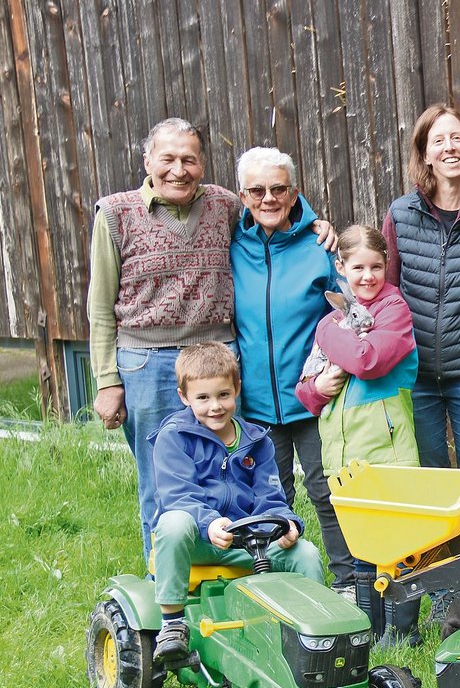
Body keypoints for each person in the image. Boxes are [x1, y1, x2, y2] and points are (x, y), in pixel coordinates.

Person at [87, 118, 333, 563]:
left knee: (231, 477)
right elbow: (100, 305)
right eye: (168, 158)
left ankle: (243, 574)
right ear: (148, 161)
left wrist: (319, 225)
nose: (178, 169)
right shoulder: (115, 214)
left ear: (202, 165)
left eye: (189, 159)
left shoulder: (224, 206)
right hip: (148, 363)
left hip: (220, 359)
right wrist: (107, 378)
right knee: (161, 480)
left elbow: (278, 205)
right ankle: (168, 589)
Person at [230, 146, 356, 599]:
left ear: (294, 192)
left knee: (329, 491)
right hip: (256, 405)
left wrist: (333, 371)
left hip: (314, 398)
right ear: (242, 196)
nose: (268, 198)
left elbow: (354, 313)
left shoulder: (321, 246)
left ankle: (348, 585)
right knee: (269, 498)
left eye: (278, 188)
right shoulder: (233, 247)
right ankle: (276, 590)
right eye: (257, 190)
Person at [150, 342, 324, 663]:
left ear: (237, 389)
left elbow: (271, 498)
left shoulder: (257, 442)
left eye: (223, 395)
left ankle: (313, 637)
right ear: (184, 397)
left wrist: (286, 524)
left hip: (248, 542)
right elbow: (179, 495)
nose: (215, 406)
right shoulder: (174, 438)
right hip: (199, 542)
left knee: (306, 554)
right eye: (203, 398)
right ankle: (172, 624)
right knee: (173, 522)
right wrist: (210, 523)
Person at [381, 105, 460, 523]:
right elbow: (388, 290)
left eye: (457, 138)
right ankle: (439, 584)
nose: (450, 147)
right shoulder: (401, 214)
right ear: (426, 154)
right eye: (438, 140)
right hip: (416, 377)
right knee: (430, 488)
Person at [295, 225, 421, 646]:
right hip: (344, 455)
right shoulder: (336, 316)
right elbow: (305, 389)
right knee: (362, 545)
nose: (367, 276)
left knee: (398, 543)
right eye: (357, 268)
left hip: (388, 451)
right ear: (340, 268)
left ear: (387, 266)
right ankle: (373, 627)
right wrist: (319, 389)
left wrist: (331, 333)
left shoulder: (393, 311)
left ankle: (403, 631)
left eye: (376, 267)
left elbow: (368, 360)